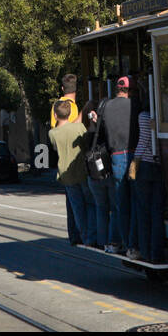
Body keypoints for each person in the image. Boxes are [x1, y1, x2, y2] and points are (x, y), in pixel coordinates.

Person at [97, 76, 138, 254]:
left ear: (117, 89)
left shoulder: (107, 106)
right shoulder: (135, 106)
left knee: (121, 204)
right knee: (136, 202)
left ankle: (124, 244)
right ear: (130, 90)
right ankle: (135, 244)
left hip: (116, 157)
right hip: (135, 156)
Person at [48, 99, 96, 246]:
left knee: (77, 208)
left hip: (67, 176)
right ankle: (94, 236)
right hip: (82, 171)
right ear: (69, 114)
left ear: (55, 115)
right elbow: (86, 142)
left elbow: (56, 148)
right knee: (90, 203)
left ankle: (85, 237)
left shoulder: (53, 133)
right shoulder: (79, 127)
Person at [129, 96, 164, 263]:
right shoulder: (165, 114)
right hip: (159, 165)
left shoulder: (143, 116)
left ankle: (145, 251)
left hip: (145, 165)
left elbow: (143, 141)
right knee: (157, 212)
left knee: (143, 211)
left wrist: (134, 164)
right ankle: (156, 253)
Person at [82, 103, 113, 249]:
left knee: (100, 208)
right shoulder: (106, 129)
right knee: (115, 209)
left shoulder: (88, 132)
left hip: (93, 176)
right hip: (107, 173)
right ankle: (113, 240)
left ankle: (102, 241)